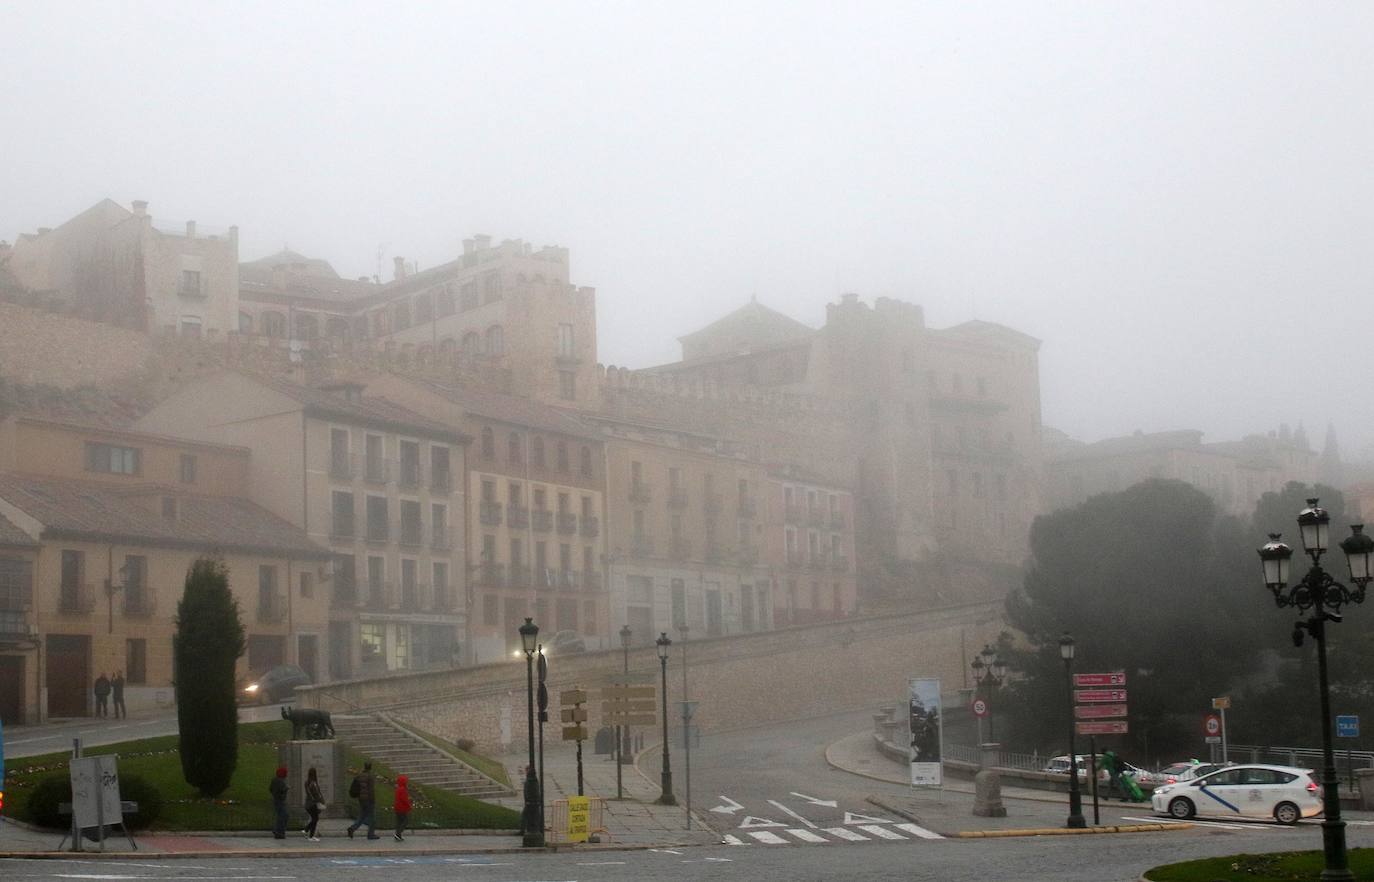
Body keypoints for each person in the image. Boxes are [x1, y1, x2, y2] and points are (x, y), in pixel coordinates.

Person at [346, 762, 378, 840]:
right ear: (370, 768)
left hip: (361, 799)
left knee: (362, 816)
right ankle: (371, 834)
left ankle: (352, 828)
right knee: (372, 817)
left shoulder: (359, 775)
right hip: (368, 799)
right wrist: (373, 800)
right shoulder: (370, 777)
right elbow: (371, 790)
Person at [303, 767, 324, 841]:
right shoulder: (314, 783)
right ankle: (307, 831)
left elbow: (309, 793)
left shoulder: (306, 782)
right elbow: (317, 794)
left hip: (308, 804)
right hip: (313, 803)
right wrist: (322, 801)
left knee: (314, 819)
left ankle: (310, 834)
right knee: (315, 819)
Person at [269, 766, 289, 839]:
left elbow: (270, 789)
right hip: (280, 801)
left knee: (281, 815)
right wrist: (286, 789)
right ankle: (279, 831)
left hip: (276, 800)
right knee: (284, 815)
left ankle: (278, 831)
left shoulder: (274, 780)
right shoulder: (280, 781)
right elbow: (282, 790)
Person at [392, 775, 411, 841]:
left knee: (399, 822)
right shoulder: (403, 789)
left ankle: (398, 835)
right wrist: (409, 806)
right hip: (402, 808)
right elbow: (405, 799)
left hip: (397, 807)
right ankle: (398, 833)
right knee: (405, 821)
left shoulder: (398, 789)